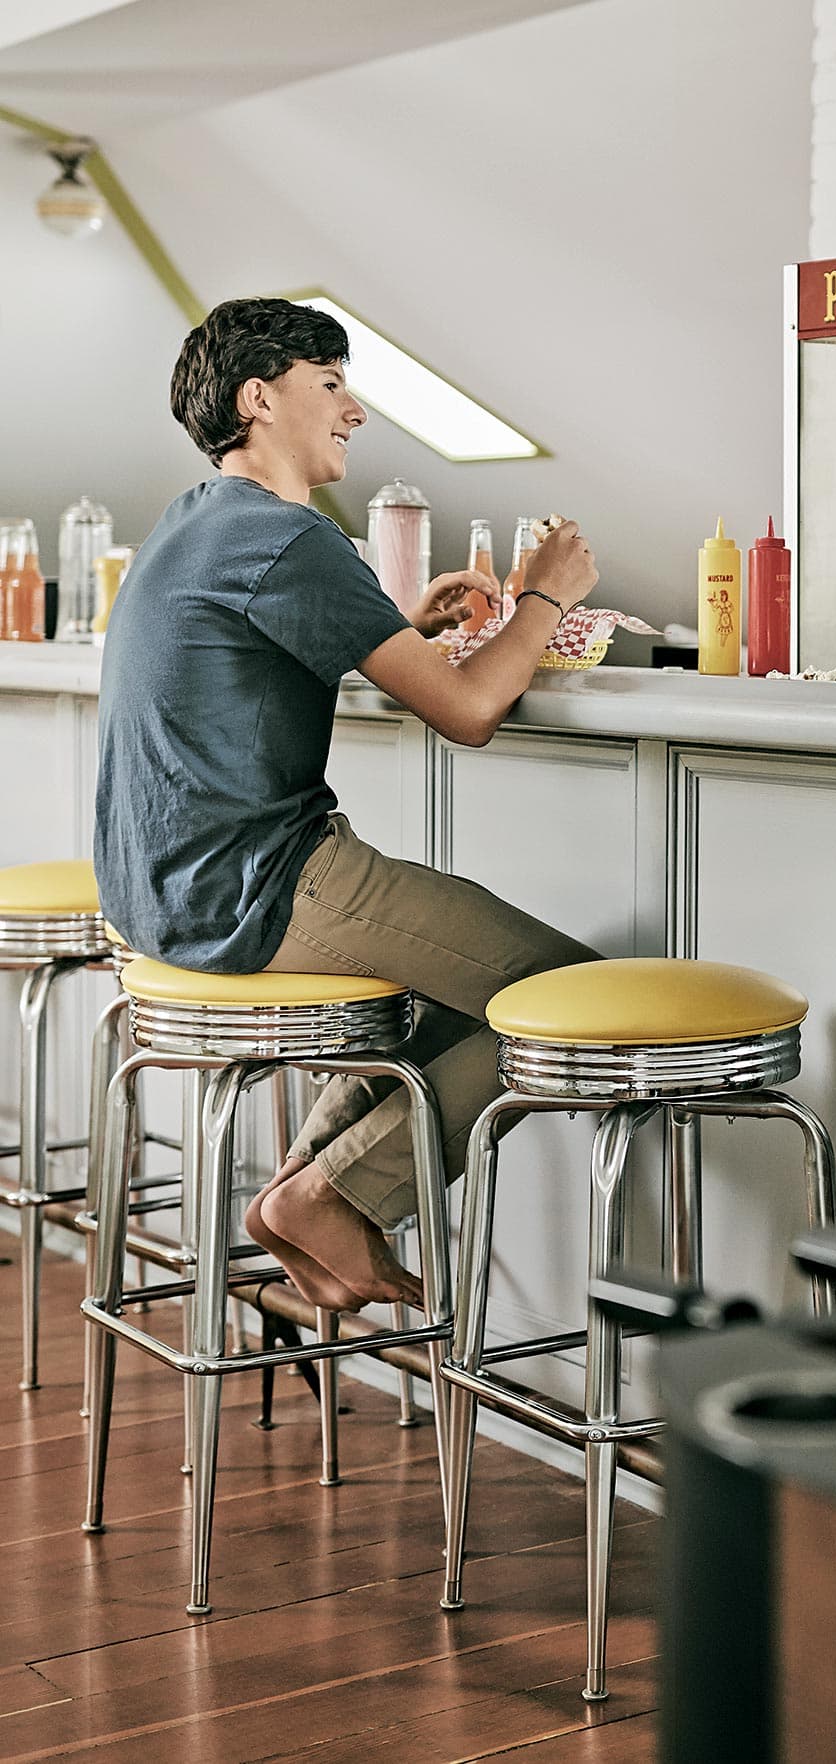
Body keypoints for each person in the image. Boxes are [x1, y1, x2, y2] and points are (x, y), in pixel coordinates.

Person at [95, 296, 600, 1313]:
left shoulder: (197, 521)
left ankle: (303, 1191)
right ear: (259, 397)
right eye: (330, 384)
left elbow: (254, 646)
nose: (354, 411)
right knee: (566, 1003)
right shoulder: (292, 541)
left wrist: (395, 625)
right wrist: (545, 591)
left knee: (449, 993)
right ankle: (331, 1194)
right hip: (257, 885)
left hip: (163, 891)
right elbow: (466, 709)